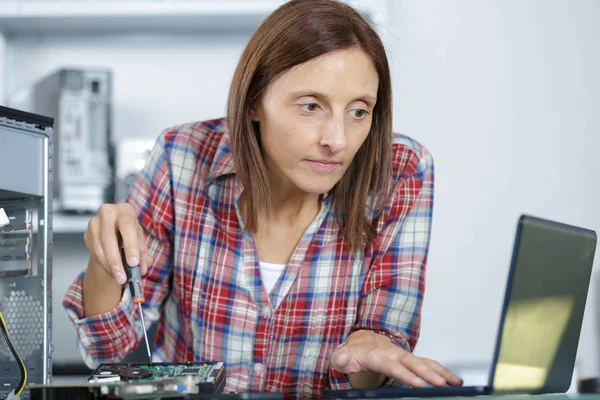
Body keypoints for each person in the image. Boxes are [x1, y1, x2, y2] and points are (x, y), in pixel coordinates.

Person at [63, 0, 463, 396]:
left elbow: (376, 364)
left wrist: (369, 355)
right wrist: (104, 260)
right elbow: (107, 352)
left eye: (358, 111)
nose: (337, 141)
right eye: (310, 106)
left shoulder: (401, 172)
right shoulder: (181, 155)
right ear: (254, 101)